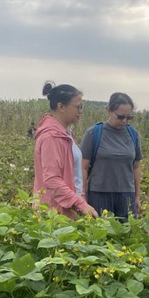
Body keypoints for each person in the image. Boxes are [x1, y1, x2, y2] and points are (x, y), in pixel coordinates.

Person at [32, 81, 98, 218]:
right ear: (61, 106)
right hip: (55, 213)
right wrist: (80, 203)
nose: (81, 111)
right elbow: (52, 180)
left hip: (69, 208)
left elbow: (75, 175)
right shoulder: (52, 137)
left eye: (82, 106)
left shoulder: (66, 133)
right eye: (78, 107)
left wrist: (81, 200)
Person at [81, 92, 142, 220]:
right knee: (101, 235)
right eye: (120, 117)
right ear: (109, 111)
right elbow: (84, 167)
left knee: (127, 236)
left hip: (126, 195)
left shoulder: (133, 134)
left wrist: (137, 197)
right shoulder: (93, 133)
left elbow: (136, 167)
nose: (124, 121)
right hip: (99, 194)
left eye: (128, 117)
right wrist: (82, 197)